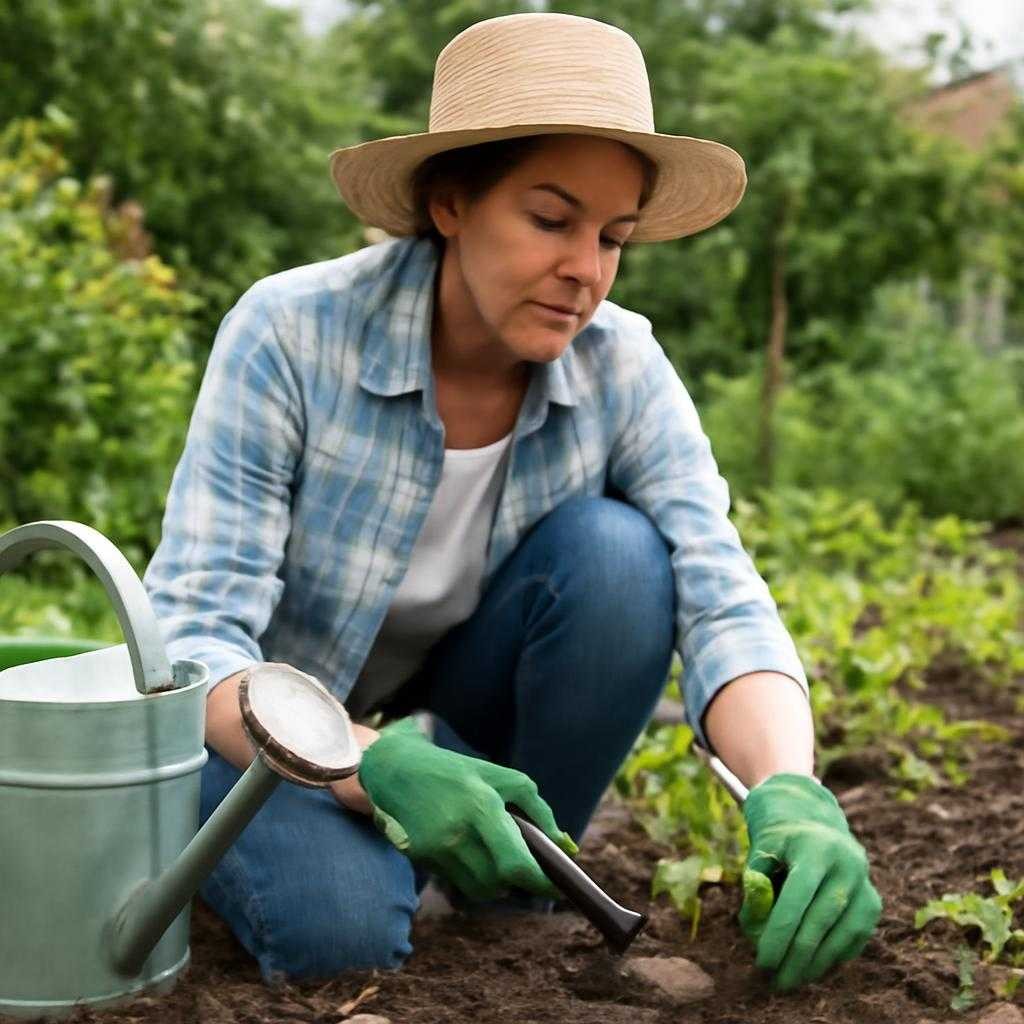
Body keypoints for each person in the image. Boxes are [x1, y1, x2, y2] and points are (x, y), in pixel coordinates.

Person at [143, 11, 881, 995]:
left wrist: (789, 790)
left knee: (619, 557)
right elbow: (194, 635)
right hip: (265, 731)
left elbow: (718, 587)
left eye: (613, 237)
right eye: (550, 220)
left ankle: (511, 883)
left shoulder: (622, 365)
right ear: (450, 203)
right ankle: (358, 848)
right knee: (337, 930)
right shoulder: (291, 334)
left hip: (453, 704)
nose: (587, 269)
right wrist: (367, 765)